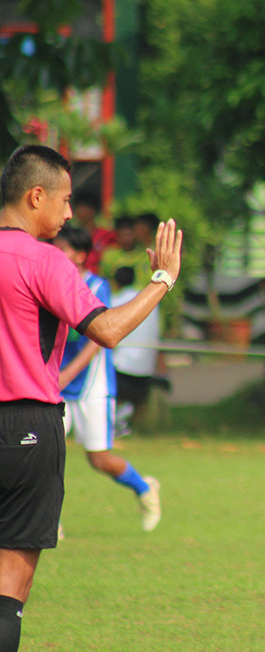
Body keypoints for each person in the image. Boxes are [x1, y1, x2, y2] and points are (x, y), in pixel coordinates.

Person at [0, 144, 182, 652]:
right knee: (8, 590)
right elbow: (108, 329)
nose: (67, 214)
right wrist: (162, 280)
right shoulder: (48, 262)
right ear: (36, 196)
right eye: (63, 202)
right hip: (26, 429)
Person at [52, 226, 161, 533]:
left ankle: (144, 488)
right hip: (56, 386)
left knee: (99, 459)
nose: (56, 254)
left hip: (91, 387)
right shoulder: (51, 284)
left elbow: (98, 340)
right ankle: (48, 519)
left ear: (81, 255)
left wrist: (69, 373)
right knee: (46, 454)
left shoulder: (97, 287)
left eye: (62, 249)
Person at [110, 266, 162, 435]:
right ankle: (123, 418)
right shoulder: (149, 302)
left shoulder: (116, 302)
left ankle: (117, 421)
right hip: (146, 371)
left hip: (123, 372)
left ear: (116, 283)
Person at [69, 191, 115, 274]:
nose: (80, 211)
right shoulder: (71, 236)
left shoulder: (107, 236)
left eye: (83, 207)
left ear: (93, 210)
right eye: (78, 207)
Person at [100, 215, 151, 290]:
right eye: (123, 235)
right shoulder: (109, 255)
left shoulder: (145, 255)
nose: (126, 239)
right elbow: (104, 279)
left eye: (129, 235)